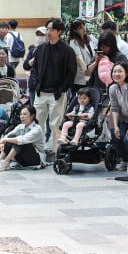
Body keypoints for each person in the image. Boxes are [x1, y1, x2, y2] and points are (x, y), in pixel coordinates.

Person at [30, 17, 78, 154]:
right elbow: (35, 68)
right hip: (41, 91)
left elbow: (71, 72)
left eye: (52, 29)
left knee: (55, 124)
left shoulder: (67, 50)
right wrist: (35, 82)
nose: (48, 32)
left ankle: (55, 149)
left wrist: (62, 88)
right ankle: (37, 148)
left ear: (59, 32)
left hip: (57, 93)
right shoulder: (41, 48)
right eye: (47, 29)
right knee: (38, 122)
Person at [0, 103, 45, 170]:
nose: (21, 116)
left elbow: (22, 140)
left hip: (35, 160)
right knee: (11, 137)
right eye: (21, 114)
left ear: (32, 116)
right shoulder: (20, 126)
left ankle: (5, 163)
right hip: (22, 158)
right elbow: (9, 135)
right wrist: (2, 142)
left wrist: (5, 140)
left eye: (25, 114)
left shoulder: (37, 129)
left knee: (19, 141)